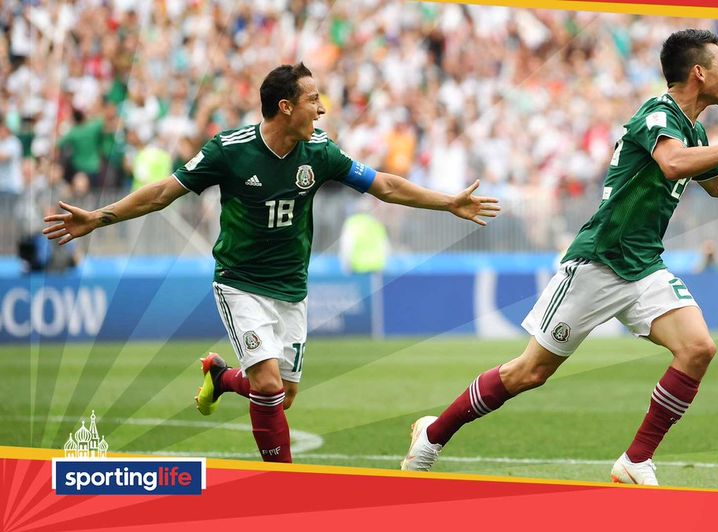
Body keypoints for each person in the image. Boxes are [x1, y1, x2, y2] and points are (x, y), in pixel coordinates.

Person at [400, 29, 718, 486]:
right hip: (597, 261)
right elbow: (674, 165)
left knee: (698, 348)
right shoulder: (656, 114)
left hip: (644, 265)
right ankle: (432, 434)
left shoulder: (694, 129)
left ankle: (635, 460)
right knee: (529, 372)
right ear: (698, 72)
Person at [43, 63, 501, 463]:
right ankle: (281, 484)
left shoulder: (320, 152)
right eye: (313, 100)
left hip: (291, 290)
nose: (321, 110)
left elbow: (383, 185)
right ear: (285, 107)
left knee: (283, 396)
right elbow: (165, 192)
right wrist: (99, 218)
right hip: (239, 282)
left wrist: (447, 203)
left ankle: (222, 378)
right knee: (266, 386)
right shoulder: (229, 150)